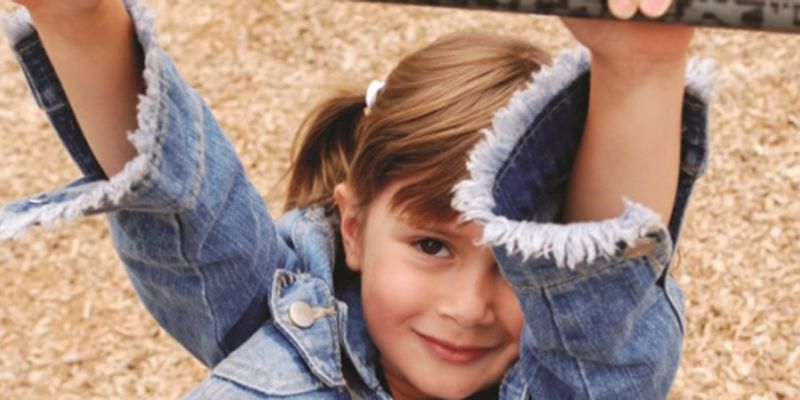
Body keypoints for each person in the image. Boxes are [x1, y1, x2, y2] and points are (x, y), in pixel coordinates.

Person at [0, 0, 712, 398]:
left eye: (518, 268)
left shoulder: (566, 384)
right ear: (352, 225)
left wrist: (641, 67)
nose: (468, 307)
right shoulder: (276, 319)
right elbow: (182, 204)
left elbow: (603, 303)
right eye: (431, 246)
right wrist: (77, 18)